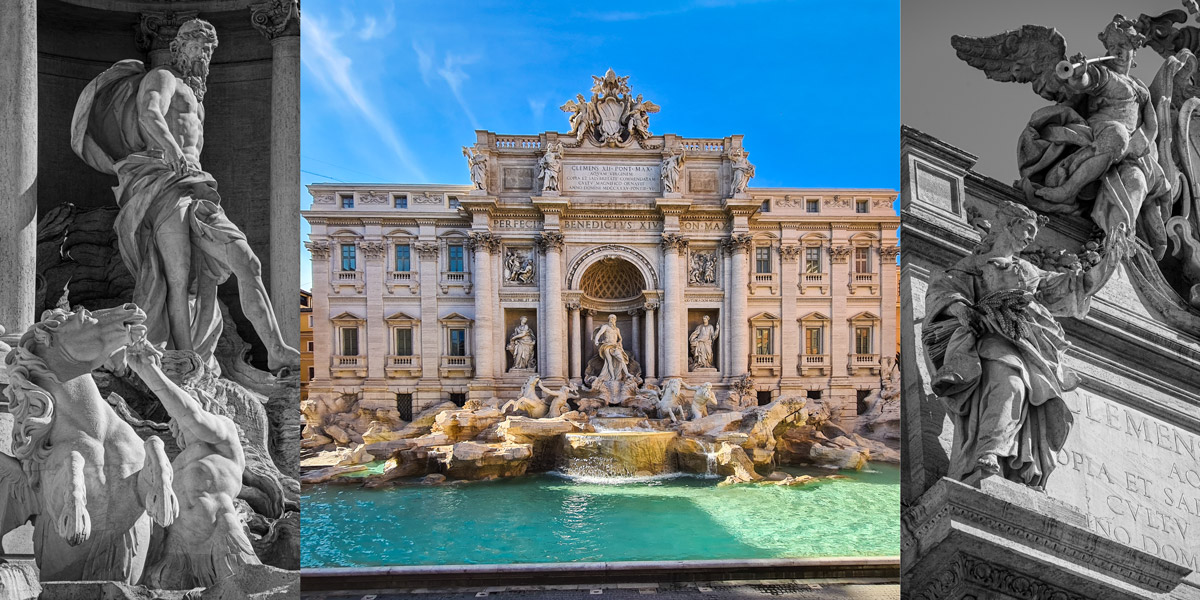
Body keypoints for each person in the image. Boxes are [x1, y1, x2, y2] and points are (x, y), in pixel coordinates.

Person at [71, 19, 299, 373]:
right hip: (161, 181)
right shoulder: (162, 78)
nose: (204, 56)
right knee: (178, 277)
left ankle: (277, 348)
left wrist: (184, 160)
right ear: (178, 49)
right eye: (197, 48)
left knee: (247, 261)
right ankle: (185, 358)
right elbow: (149, 113)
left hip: (195, 186)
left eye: (209, 50)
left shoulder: (196, 97)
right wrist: (173, 150)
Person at [922, 201, 1126, 488]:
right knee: (1011, 386)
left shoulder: (1028, 270)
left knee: (1029, 395)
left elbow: (1073, 286)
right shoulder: (974, 265)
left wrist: (1106, 265)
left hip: (1028, 344)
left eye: (1034, 232)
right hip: (990, 337)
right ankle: (988, 452)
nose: (1031, 237)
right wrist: (962, 310)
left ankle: (1004, 457)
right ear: (1007, 225)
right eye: (1027, 229)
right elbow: (942, 289)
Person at [125, 337, 260, 589]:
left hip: (221, 537)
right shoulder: (178, 461)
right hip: (177, 546)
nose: (178, 422)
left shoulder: (224, 435)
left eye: (179, 414)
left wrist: (147, 370)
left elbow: (192, 415)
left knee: (242, 589)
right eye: (175, 422)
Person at [593, 314, 633, 383]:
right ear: (608, 320)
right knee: (609, 362)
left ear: (615, 320)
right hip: (606, 346)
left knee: (621, 359)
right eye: (611, 318)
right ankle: (612, 377)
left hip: (615, 346)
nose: (612, 320)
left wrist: (619, 342)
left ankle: (627, 373)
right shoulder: (605, 327)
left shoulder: (617, 329)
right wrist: (596, 340)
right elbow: (598, 334)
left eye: (614, 318)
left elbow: (620, 338)